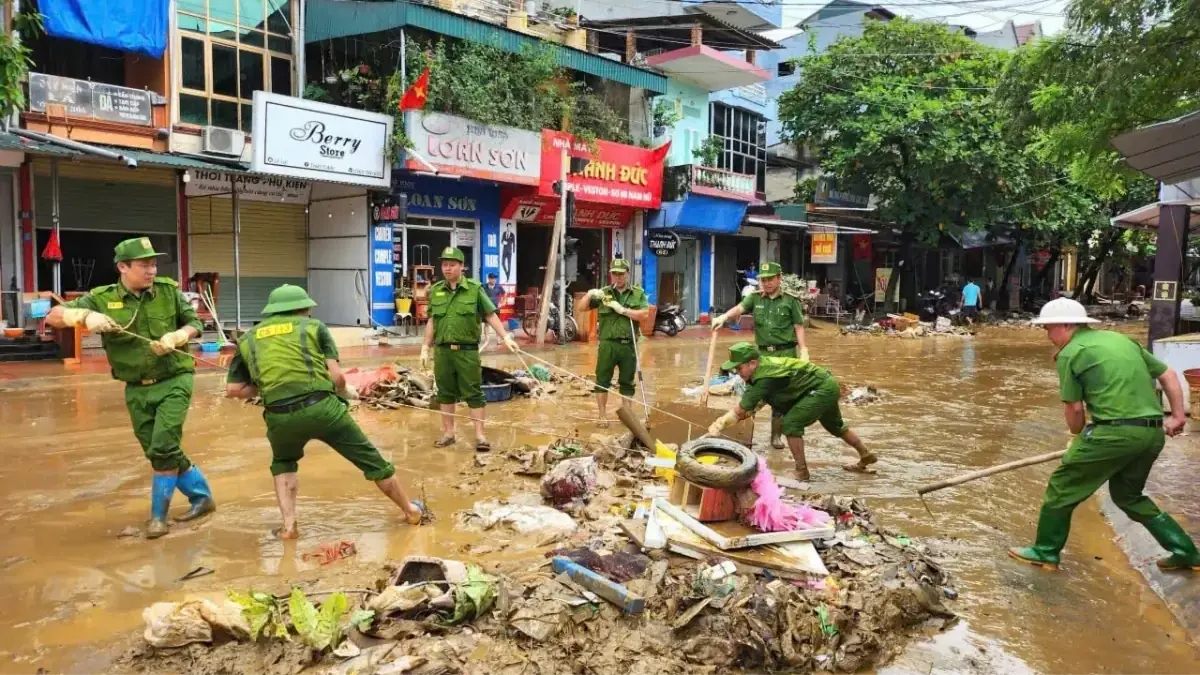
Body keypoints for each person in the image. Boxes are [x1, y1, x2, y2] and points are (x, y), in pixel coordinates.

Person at [1009, 298, 1200, 570]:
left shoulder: (1070, 353)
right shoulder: (1120, 341)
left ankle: (1045, 551)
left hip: (1113, 434)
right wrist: (1178, 416)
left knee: (1062, 486)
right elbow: (1168, 374)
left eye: (1048, 328)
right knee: (1128, 497)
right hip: (1151, 434)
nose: (1048, 335)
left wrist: (1078, 436)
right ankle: (1186, 552)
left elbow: (1075, 411)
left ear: (1065, 325)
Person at [46, 237, 214, 539]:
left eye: (153, 264)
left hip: (175, 378)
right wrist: (82, 316)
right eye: (143, 265)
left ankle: (158, 519)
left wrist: (177, 336)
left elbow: (196, 324)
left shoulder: (167, 291)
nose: (151, 270)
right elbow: (52, 317)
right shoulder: (101, 297)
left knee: (163, 446)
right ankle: (202, 498)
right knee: (157, 451)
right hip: (136, 387)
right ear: (123, 267)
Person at [224, 286, 423, 538]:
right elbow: (337, 378)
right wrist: (346, 392)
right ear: (302, 308)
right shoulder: (315, 327)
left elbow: (233, 389)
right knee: (372, 460)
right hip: (323, 409)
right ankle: (410, 511)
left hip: (280, 416)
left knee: (283, 464)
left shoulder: (248, 339)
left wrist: (268, 387)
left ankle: (289, 527)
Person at [707, 342, 877, 480]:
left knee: (791, 423)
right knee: (836, 426)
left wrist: (720, 423)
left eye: (739, 368)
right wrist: (744, 413)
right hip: (827, 384)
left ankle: (801, 472)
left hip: (820, 389)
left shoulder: (763, 378)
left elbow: (741, 410)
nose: (737, 373)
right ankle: (866, 455)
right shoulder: (762, 368)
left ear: (752, 363)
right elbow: (755, 405)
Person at [420, 247, 519, 451]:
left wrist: (505, 336)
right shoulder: (437, 290)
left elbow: (490, 315)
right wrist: (424, 347)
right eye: (444, 264)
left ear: (462, 267)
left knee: (474, 393)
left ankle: (480, 436)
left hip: (467, 352)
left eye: (452, 264)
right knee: (445, 393)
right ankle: (448, 434)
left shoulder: (474, 289)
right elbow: (432, 320)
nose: (447, 268)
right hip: (443, 352)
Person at [711, 262, 808, 449]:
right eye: (763, 280)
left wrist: (804, 350)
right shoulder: (754, 299)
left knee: (781, 398)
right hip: (761, 355)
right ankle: (744, 435)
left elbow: (798, 326)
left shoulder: (790, 300)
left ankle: (776, 437)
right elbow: (739, 309)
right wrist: (723, 317)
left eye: (771, 279)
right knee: (753, 394)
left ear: (780, 278)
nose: (767, 283)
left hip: (786, 354)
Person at [577, 258, 650, 426]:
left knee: (627, 383)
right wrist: (589, 294)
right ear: (611, 274)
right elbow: (581, 308)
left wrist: (623, 310)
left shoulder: (637, 293)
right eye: (614, 274)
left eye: (621, 274)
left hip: (628, 345)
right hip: (608, 345)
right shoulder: (604, 293)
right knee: (602, 380)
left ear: (628, 274)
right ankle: (602, 416)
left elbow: (645, 314)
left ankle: (628, 418)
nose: (618, 277)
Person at [481, 272, 504, 350]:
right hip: (487, 308)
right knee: (487, 324)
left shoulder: (499, 287)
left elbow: (505, 295)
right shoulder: (484, 286)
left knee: (497, 323)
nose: (494, 280)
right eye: (492, 278)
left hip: (496, 308)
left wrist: (502, 303)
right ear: (489, 279)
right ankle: (487, 340)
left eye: (495, 278)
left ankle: (498, 339)